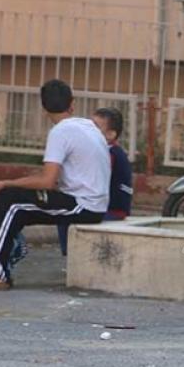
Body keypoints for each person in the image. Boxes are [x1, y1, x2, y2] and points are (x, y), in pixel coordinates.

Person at [0, 79, 111, 291]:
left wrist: (5, 182)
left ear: (44, 108)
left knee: (8, 200)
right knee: (16, 206)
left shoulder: (61, 132)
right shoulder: (87, 126)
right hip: (90, 203)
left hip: (84, 205)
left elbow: (47, 181)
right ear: (72, 103)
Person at [56, 107, 133, 256]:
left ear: (111, 135)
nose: (89, 130)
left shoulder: (108, 153)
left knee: (64, 212)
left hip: (112, 210)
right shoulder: (109, 150)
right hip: (108, 207)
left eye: (96, 127)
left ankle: (71, 255)